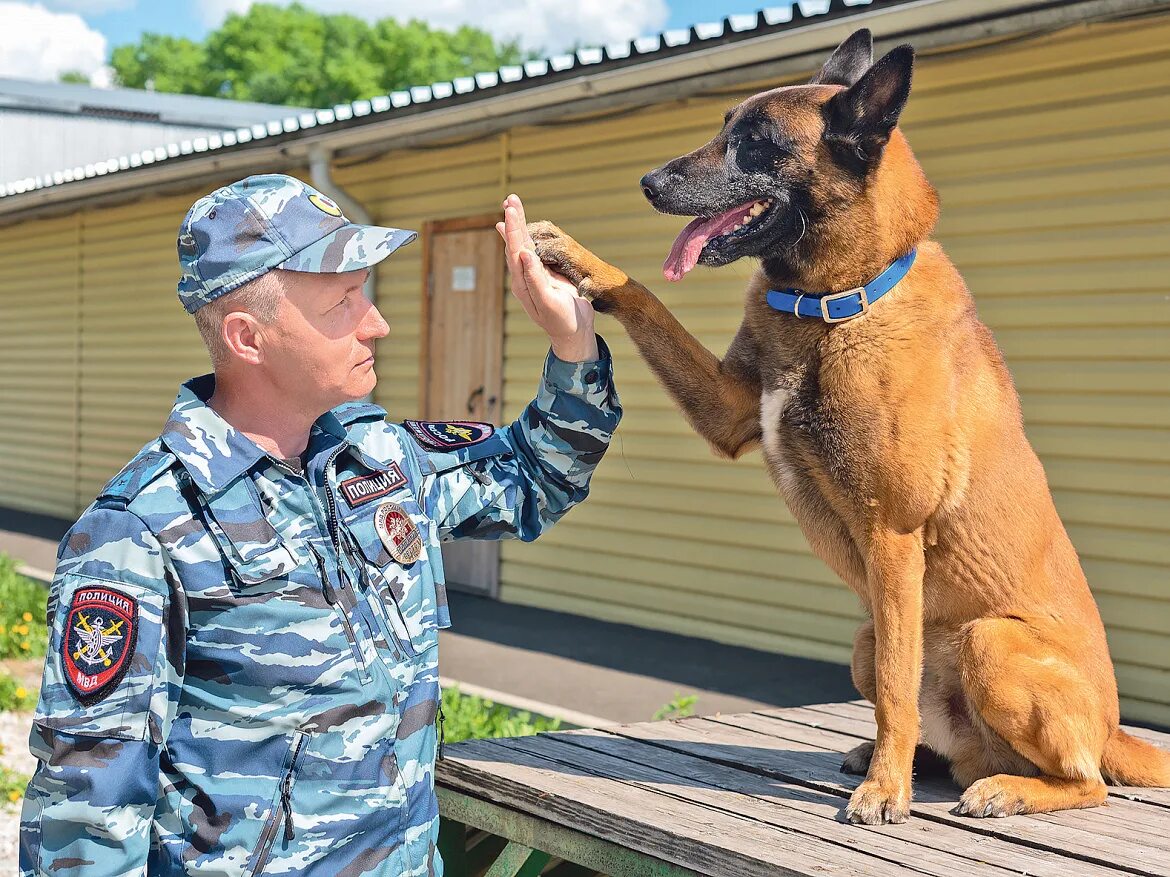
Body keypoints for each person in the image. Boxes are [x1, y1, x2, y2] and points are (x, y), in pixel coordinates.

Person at [19, 174, 620, 876]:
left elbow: (534, 477)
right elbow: (88, 810)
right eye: (343, 301)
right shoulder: (143, 528)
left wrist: (572, 342)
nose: (377, 322)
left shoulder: (385, 461)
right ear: (249, 337)